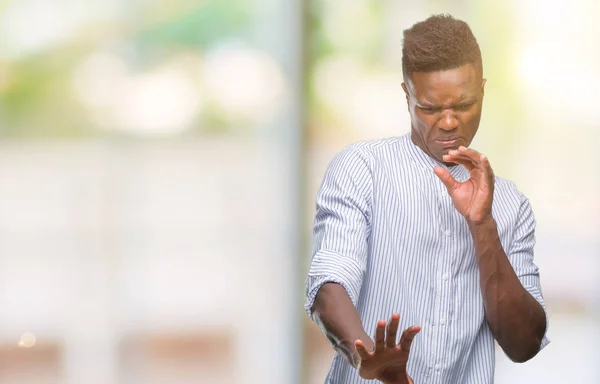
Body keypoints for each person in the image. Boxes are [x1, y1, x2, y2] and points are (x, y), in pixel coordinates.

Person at [304, 14, 549, 384]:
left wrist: (482, 225)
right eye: (430, 108)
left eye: (464, 104)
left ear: (483, 90)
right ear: (407, 95)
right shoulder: (362, 170)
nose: (449, 122)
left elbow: (523, 344)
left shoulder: (511, 204)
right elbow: (330, 280)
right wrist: (363, 355)